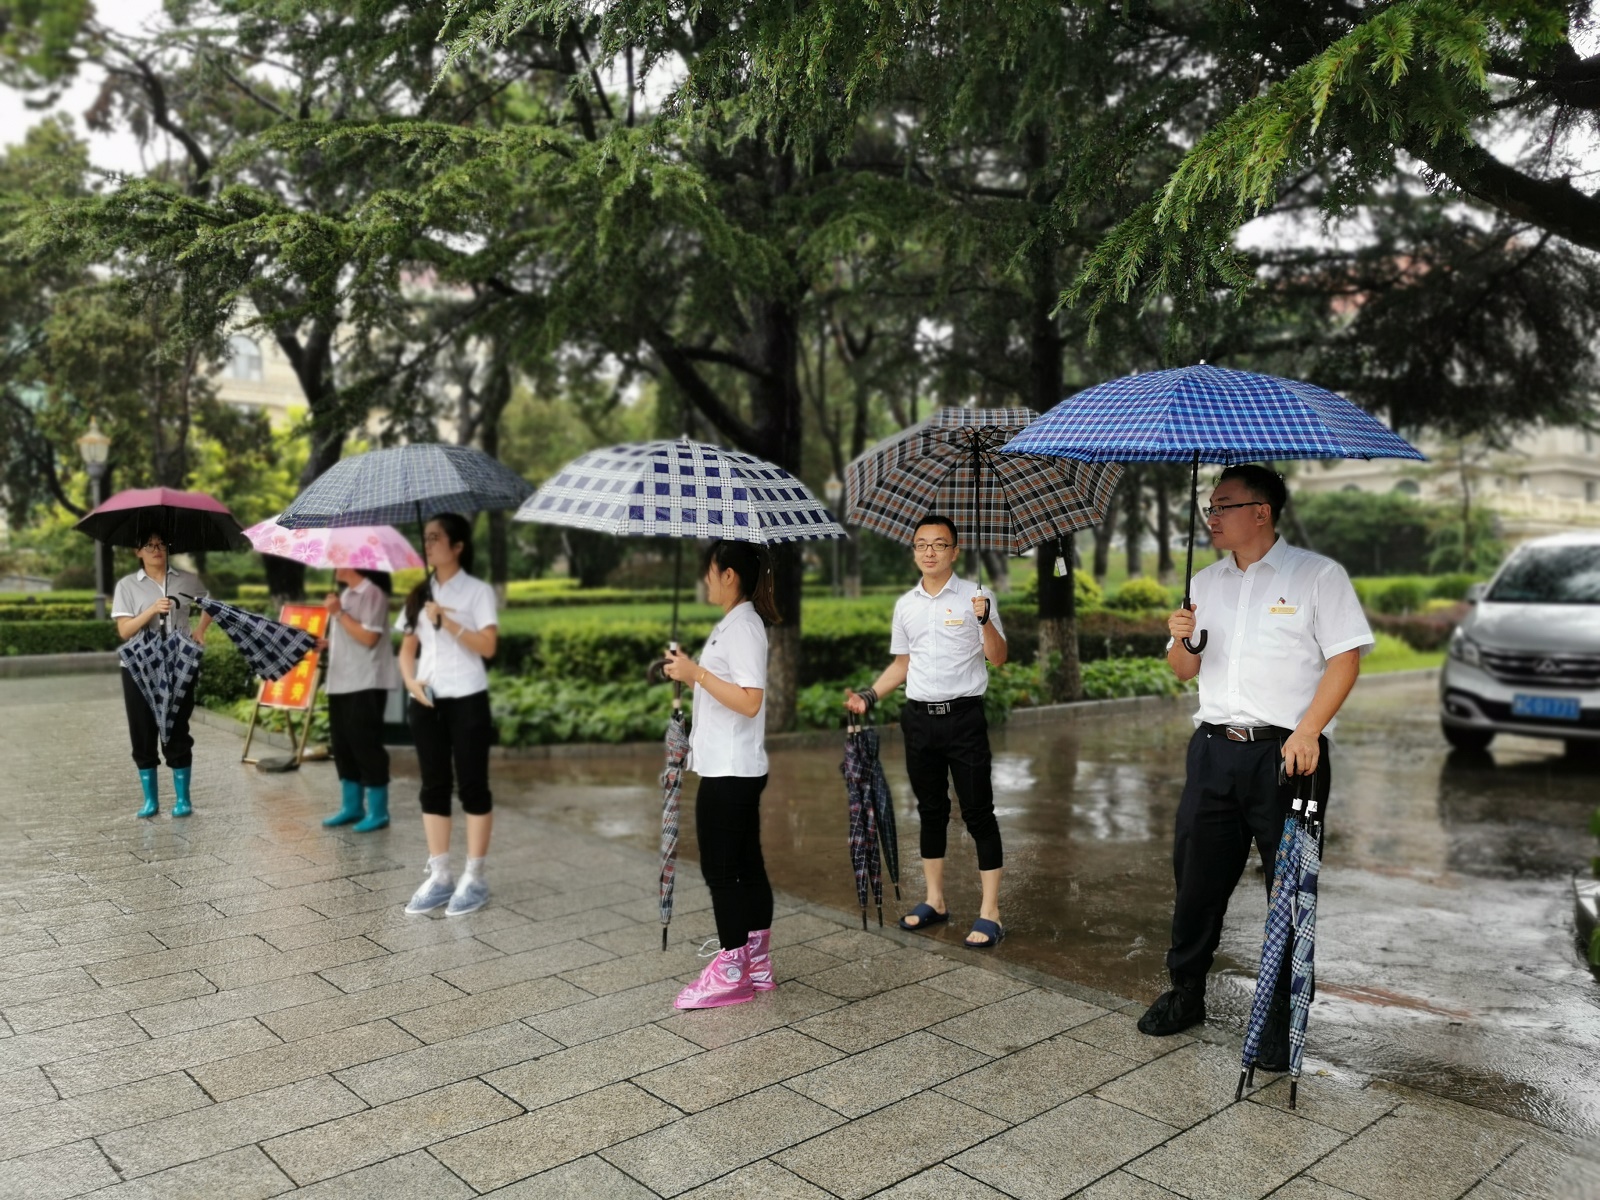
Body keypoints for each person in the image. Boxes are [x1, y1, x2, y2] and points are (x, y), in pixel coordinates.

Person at [1138, 464, 1372, 1068]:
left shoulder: (1317, 576)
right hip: (1214, 750)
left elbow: (1345, 659)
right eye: (1209, 508)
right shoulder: (1205, 582)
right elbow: (1183, 671)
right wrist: (1181, 637)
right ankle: (1186, 991)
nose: (1211, 517)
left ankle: (1277, 1017)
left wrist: (1309, 729)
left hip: (1288, 754)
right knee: (1196, 877)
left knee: (1287, 887)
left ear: (1261, 512)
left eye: (1223, 506)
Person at [846, 514, 1009, 948]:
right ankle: (935, 901)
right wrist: (868, 696)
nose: (929, 552)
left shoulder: (977, 597)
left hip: (964, 719)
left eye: (939, 544)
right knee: (930, 810)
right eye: (922, 544)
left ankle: (990, 912)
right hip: (919, 720)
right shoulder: (906, 605)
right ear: (914, 551)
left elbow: (998, 658)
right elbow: (903, 664)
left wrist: (985, 621)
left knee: (978, 812)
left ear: (955, 551)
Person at [662, 540, 781, 1009]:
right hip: (731, 766)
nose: (705, 580)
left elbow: (750, 701)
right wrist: (687, 671)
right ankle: (756, 962)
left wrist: (696, 673)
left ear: (729, 575)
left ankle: (732, 971)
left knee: (722, 871)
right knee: (746, 866)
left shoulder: (744, 628)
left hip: (730, 772)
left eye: (710, 571)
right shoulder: (734, 624)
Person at [396, 514, 500, 917]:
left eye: (436, 538)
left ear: (458, 546)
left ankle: (475, 877)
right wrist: (411, 682)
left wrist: (448, 622)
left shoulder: (477, 592)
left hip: (468, 699)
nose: (428, 544)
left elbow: (488, 646)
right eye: (425, 537)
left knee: (473, 785)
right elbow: (407, 650)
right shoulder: (418, 594)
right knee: (433, 786)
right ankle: (440, 876)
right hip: (427, 701)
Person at [111, 533, 213, 818]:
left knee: (177, 729)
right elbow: (125, 630)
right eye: (149, 545)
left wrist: (200, 630)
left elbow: (212, 603)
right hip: (138, 667)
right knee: (142, 730)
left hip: (179, 664)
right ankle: (150, 801)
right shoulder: (127, 585)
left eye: (161, 544)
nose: (156, 550)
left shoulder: (187, 580)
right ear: (138, 552)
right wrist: (152, 610)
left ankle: (183, 800)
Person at [318, 567, 401, 833]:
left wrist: (338, 614)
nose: (334, 563)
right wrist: (328, 643)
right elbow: (351, 635)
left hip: (365, 681)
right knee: (343, 745)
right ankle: (352, 806)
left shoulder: (372, 594)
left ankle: (378, 812)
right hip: (341, 681)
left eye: (339, 556)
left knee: (366, 745)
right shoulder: (346, 595)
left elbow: (369, 637)